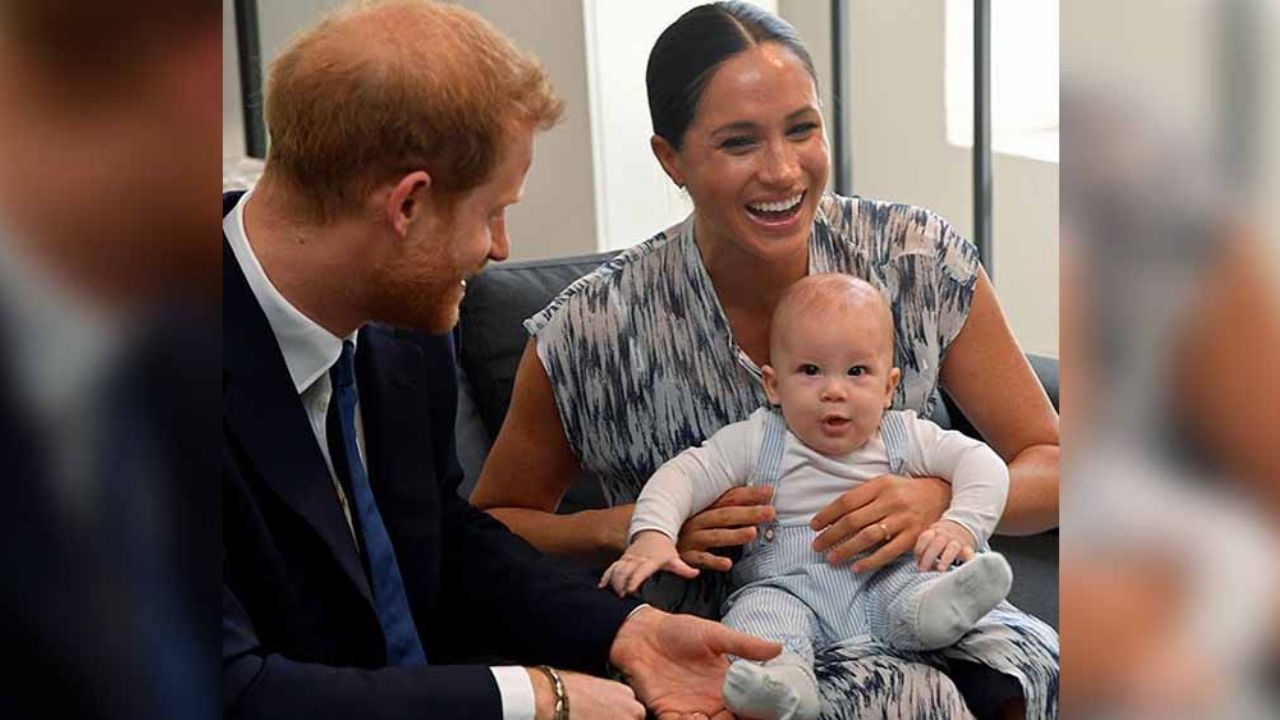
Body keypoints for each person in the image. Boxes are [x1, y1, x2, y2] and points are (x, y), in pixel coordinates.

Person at [470, 2, 1059, 717]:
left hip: (932, 615)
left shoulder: (916, 258)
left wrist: (939, 501)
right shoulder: (590, 330)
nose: (782, 171)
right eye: (739, 142)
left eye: (803, 129)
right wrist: (628, 525)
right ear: (672, 159)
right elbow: (486, 530)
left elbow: (1052, 461)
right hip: (731, 657)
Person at [222, 2, 780, 718]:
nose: (502, 249)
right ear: (409, 205)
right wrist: (538, 696)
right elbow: (234, 690)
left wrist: (629, 632)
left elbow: (444, 540)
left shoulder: (404, 334)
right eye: (493, 212)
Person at [599, 275, 1023, 719]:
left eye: (857, 371)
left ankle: (937, 613)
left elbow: (982, 462)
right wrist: (653, 534)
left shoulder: (906, 436)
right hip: (788, 587)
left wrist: (961, 523)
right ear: (774, 385)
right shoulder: (756, 440)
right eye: (810, 371)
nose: (834, 390)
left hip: (884, 574)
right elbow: (682, 475)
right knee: (759, 621)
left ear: (888, 386)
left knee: (918, 584)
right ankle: (784, 687)